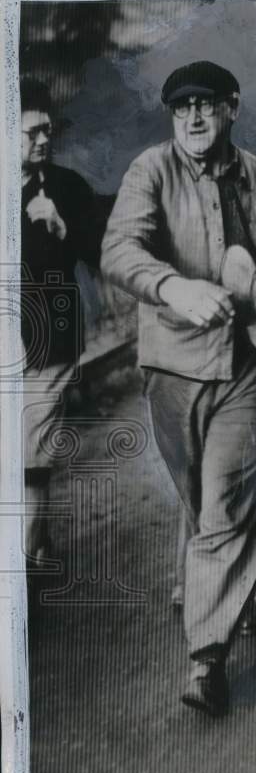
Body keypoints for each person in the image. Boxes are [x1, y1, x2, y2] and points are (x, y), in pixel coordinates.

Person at [101, 60, 256, 716]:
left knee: (225, 504)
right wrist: (174, 287)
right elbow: (119, 251)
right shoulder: (150, 171)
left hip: (246, 370)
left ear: (231, 107)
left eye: (205, 104)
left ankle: (205, 661)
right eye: (181, 108)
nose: (192, 117)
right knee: (198, 497)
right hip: (173, 370)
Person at [20, 76, 101, 573]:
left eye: (47, 130)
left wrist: (61, 227)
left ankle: (25, 574)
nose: (43, 140)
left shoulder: (67, 188)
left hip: (50, 347)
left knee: (30, 461)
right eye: (30, 132)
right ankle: (38, 545)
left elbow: (102, 253)